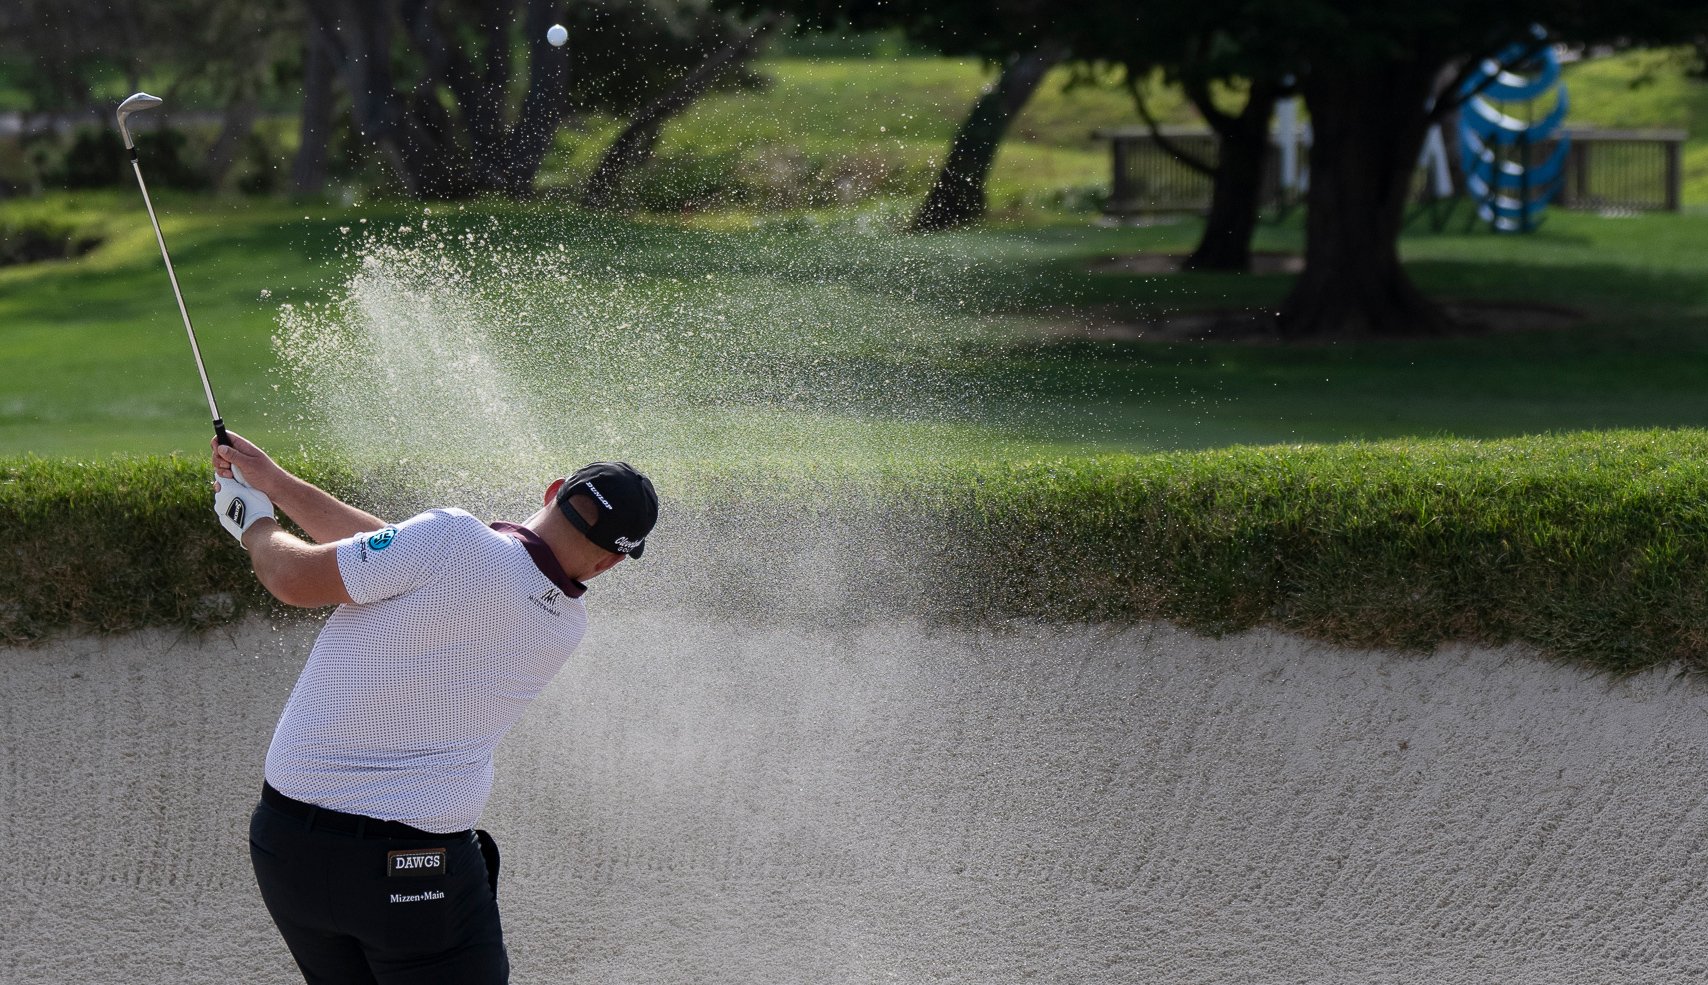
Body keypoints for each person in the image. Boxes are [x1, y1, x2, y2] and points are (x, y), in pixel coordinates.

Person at [211, 431, 657, 985]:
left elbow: (301, 574)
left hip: (286, 850)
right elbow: (391, 553)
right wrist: (274, 484)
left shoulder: (448, 541)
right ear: (612, 561)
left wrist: (251, 521)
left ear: (554, 491)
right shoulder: (564, 624)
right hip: (412, 876)